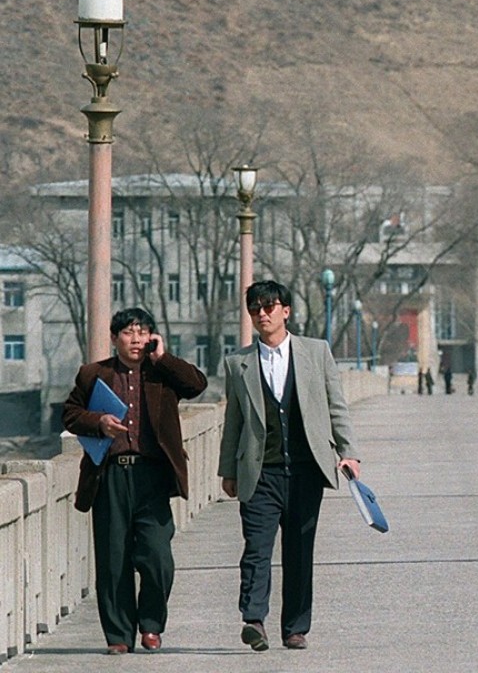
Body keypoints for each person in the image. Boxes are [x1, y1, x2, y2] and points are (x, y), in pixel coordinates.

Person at [219, 280, 360, 653]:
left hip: (305, 470)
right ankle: (253, 620)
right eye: (255, 308)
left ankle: (295, 628)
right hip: (259, 471)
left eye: (269, 306)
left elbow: (336, 405)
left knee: (299, 550)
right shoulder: (238, 363)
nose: (262, 314)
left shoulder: (316, 352)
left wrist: (349, 452)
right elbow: (233, 419)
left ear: (286, 311)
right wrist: (227, 470)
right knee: (256, 549)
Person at [62, 308, 208, 655]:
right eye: (129, 333)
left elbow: (197, 384)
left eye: (143, 332)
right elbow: (70, 413)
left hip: (152, 476)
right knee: (113, 558)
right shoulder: (93, 374)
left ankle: (152, 624)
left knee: (158, 556)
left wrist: (164, 356)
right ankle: (118, 635)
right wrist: (99, 422)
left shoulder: (164, 374)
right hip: (110, 475)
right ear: (115, 338)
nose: (136, 339)